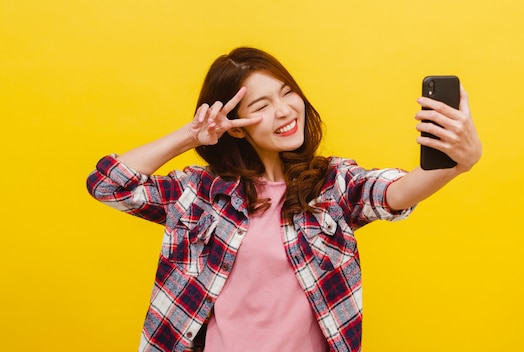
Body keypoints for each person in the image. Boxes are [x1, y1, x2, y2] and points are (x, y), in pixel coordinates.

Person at [86, 47, 481, 352]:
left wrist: (458, 164)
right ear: (236, 126)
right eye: (261, 106)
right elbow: (109, 185)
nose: (284, 110)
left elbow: (394, 193)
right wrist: (192, 135)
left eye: (287, 92)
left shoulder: (332, 185)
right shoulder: (199, 194)